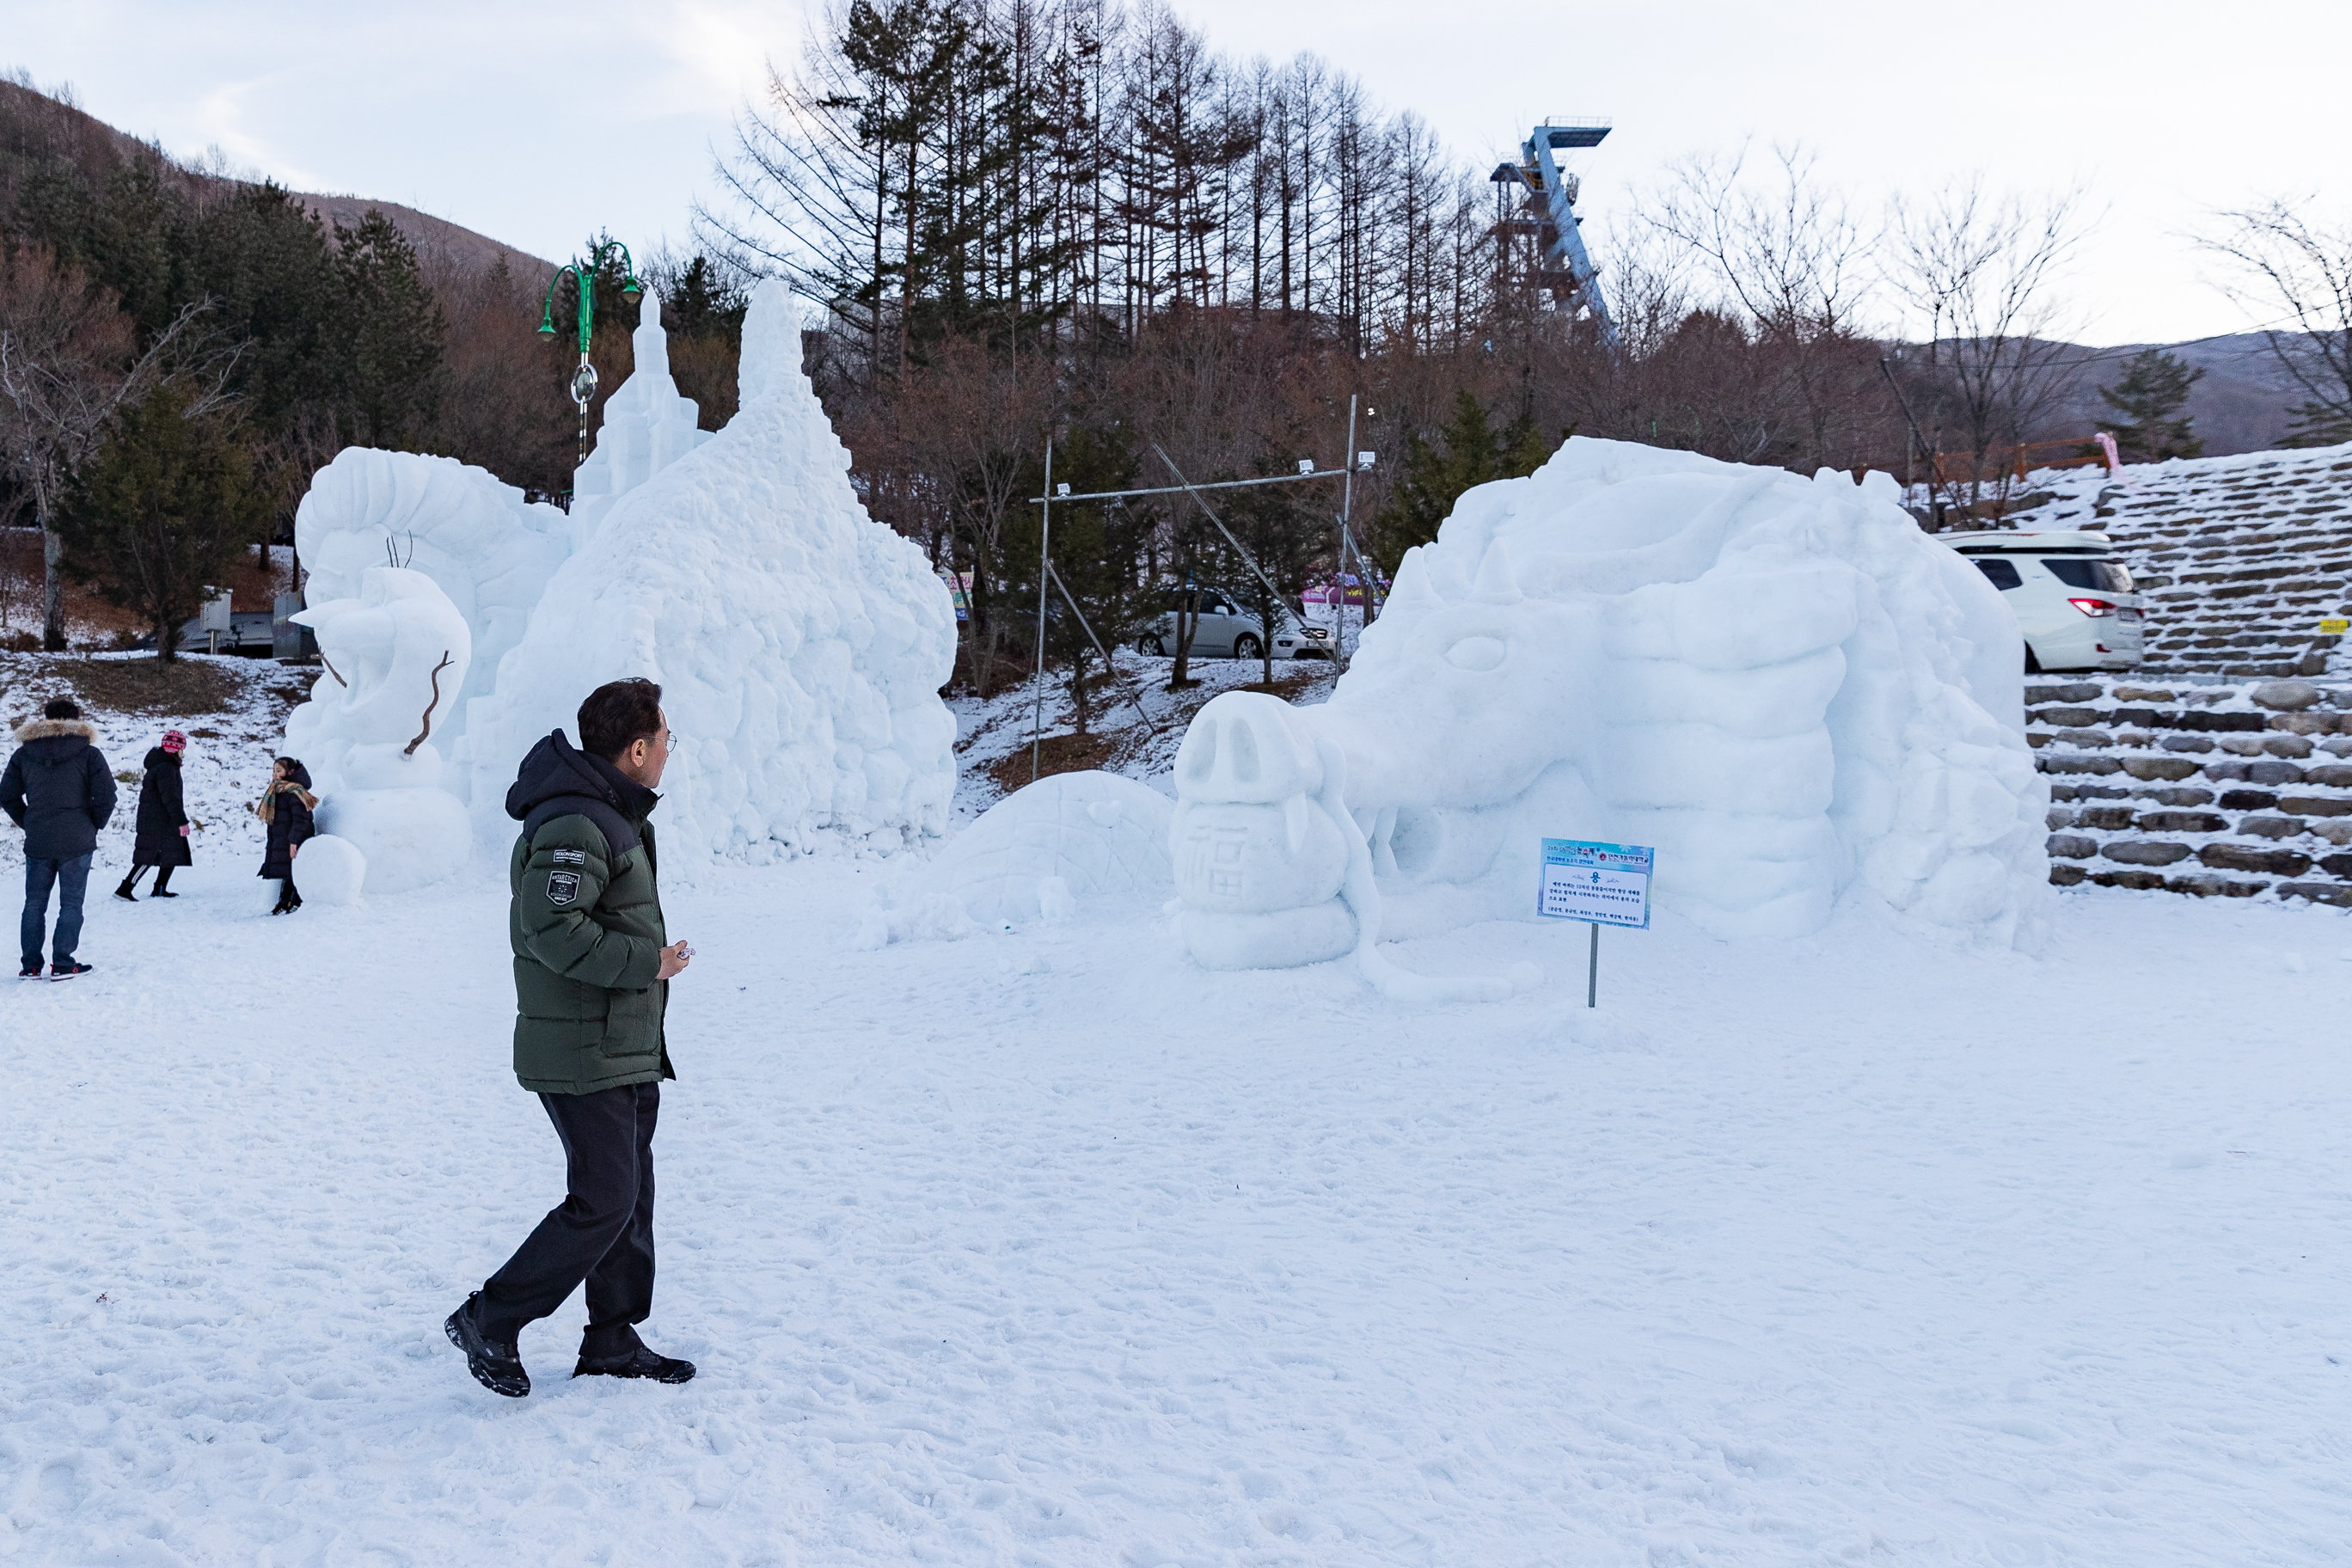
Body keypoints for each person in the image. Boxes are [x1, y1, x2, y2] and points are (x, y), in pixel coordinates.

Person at [444, 677, 696, 1399]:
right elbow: (552, 930)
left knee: (629, 1195)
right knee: (605, 1199)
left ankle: (613, 1338)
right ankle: (490, 1318)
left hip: (619, 1040)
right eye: (666, 741)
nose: (668, 754)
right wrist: (646, 963)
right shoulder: (575, 824)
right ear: (638, 747)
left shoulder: (608, 814)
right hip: (582, 1049)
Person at [3, 695, 117, 980]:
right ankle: (63, 963)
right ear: (76, 719)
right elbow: (107, 796)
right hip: (77, 839)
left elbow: (6, 795)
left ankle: (30, 966)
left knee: (34, 903)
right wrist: (94, 825)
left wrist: (28, 821)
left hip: (39, 839)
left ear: (45, 718)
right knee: (71, 903)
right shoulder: (89, 754)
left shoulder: (24, 754)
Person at [116, 729, 192, 901]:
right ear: (175, 749)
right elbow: (171, 798)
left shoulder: (165, 765)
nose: (183, 752)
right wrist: (182, 821)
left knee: (172, 852)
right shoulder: (166, 768)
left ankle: (160, 888)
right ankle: (124, 889)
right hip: (157, 820)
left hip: (162, 819)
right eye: (181, 748)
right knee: (149, 856)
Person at [254, 757, 315, 915]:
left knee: (295, 872)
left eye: (279, 771)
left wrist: (294, 842)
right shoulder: (278, 791)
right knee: (287, 872)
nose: (275, 775)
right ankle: (284, 901)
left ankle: (295, 901)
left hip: (295, 839)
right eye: (274, 771)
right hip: (283, 838)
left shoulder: (296, 792)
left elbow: (302, 820)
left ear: (291, 772)